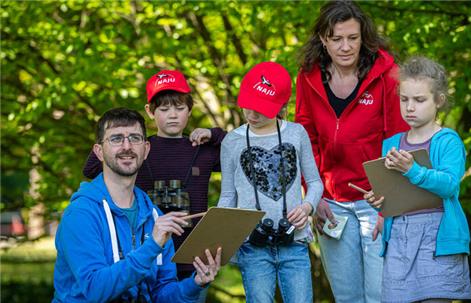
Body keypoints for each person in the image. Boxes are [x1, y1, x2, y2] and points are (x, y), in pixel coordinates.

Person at [295, 1, 409, 302]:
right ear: (323, 39)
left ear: (363, 37)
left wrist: (391, 205)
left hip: (377, 200)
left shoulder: (387, 74)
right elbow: (305, 140)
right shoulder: (308, 76)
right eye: (336, 39)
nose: (345, 47)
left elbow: (396, 139)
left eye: (353, 38)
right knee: (347, 297)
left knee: (381, 294)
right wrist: (313, 195)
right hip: (331, 204)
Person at [53, 107, 222, 302]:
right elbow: (95, 289)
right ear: (99, 152)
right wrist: (152, 246)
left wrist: (194, 284)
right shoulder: (81, 214)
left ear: (146, 149)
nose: (127, 146)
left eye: (135, 138)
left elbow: (161, 293)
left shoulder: (154, 216)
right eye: (116, 139)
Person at [82, 70, 225, 296]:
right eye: (164, 109)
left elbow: (242, 152)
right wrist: (125, 139)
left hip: (193, 258)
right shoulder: (139, 149)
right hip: (150, 255)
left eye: (179, 108)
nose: (173, 115)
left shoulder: (202, 150)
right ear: (150, 111)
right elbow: (90, 168)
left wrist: (214, 134)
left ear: (190, 109)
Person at [364, 56, 471, 302]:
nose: (409, 107)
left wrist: (414, 170)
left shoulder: (447, 140)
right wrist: (379, 204)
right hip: (400, 240)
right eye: (404, 99)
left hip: (437, 240)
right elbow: (393, 194)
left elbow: (450, 186)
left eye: (419, 100)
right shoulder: (391, 144)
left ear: (439, 101)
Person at [218, 61, 323, 303]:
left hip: (294, 242)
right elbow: (228, 196)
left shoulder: (296, 133)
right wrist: (221, 236)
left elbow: (315, 182)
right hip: (251, 246)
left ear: (281, 105)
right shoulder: (232, 141)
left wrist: (307, 207)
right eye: (248, 107)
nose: (253, 114)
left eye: (262, 109)